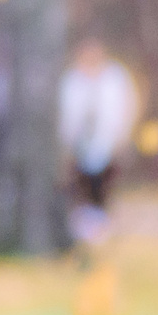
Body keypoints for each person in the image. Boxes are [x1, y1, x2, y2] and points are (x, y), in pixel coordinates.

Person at [58, 37, 138, 242]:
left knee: (103, 185)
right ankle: (82, 230)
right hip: (79, 145)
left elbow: (126, 107)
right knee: (80, 186)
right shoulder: (72, 79)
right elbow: (66, 113)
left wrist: (122, 135)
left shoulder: (115, 78)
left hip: (106, 143)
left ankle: (101, 229)